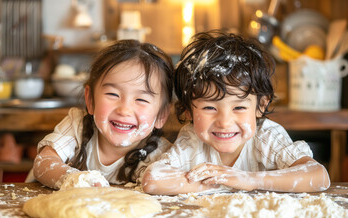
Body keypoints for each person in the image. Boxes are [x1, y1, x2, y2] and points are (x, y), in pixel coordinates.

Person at [142, 30, 331, 195]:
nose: (224, 122)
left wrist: (249, 180)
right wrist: (223, 184)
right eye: (209, 108)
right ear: (188, 111)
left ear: (260, 106)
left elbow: (318, 176)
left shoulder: (266, 137)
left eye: (239, 107)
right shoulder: (192, 140)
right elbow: (153, 179)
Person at [28, 39, 174, 189]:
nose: (124, 110)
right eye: (113, 94)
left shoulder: (162, 157)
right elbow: (43, 162)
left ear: (161, 115)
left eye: (141, 99)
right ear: (90, 100)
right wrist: (74, 179)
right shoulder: (77, 126)